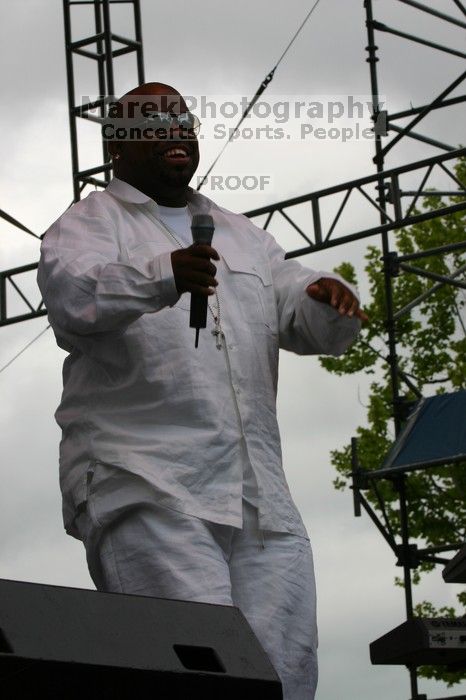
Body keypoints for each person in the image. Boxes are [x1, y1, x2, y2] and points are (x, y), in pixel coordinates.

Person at [38, 82, 366, 700]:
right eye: (153, 124)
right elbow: (75, 297)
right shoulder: (85, 225)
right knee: (195, 666)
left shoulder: (242, 235)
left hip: (257, 494)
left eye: (182, 121)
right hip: (145, 480)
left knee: (285, 672)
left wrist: (327, 296)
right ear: (117, 145)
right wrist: (164, 275)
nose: (174, 133)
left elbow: (295, 299)